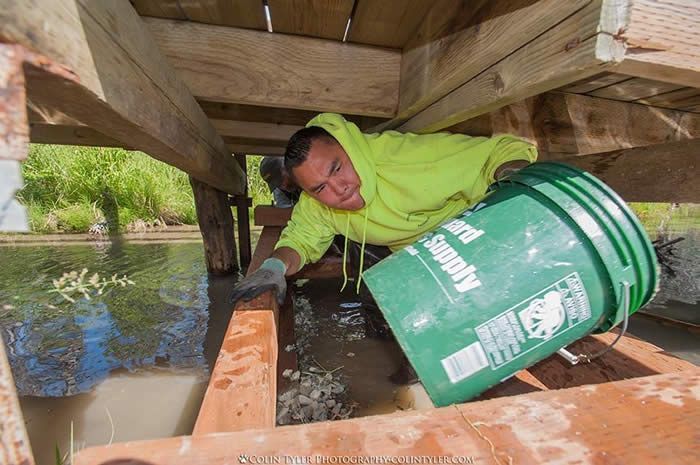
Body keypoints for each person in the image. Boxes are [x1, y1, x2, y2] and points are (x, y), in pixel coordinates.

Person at [231, 112, 537, 306]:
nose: (339, 189)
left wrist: (512, 180)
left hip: (469, 236)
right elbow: (298, 240)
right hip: (411, 252)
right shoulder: (316, 205)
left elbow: (501, 150)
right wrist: (274, 268)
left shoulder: (407, 159)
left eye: (337, 168)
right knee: (382, 305)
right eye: (320, 187)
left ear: (349, 150)